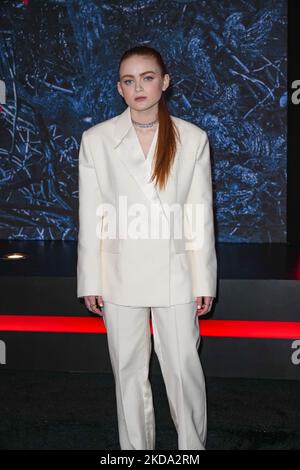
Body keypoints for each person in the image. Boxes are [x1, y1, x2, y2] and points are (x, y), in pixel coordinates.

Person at [77, 45, 217, 450]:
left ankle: (192, 449)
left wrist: (203, 279)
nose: (138, 87)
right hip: (119, 274)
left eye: (148, 77)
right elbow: (93, 215)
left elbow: (199, 215)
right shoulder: (97, 139)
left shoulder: (192, 138)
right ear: (120, 88)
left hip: (176, 273)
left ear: (165, 82)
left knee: (183, 370)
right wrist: (91, 279)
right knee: (127, 372)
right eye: (128, 80)